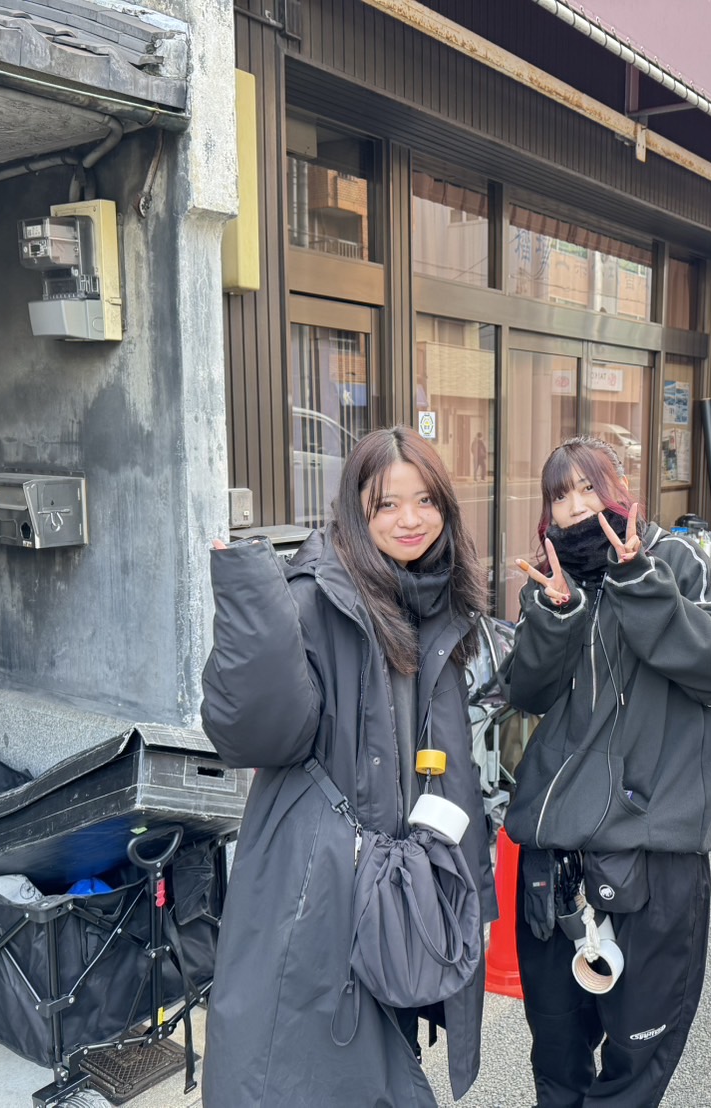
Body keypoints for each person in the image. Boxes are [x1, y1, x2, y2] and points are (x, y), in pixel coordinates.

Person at [200, 427, 494, 1107]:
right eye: (386, 504)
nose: (410, 519)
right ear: (355, 512)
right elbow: (256, 735)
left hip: (408, 880)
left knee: (379, 1055)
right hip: (326, 886)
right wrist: (252, 607)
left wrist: (468, 888)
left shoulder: (439, 598)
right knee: (316, 1070)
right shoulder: (315, 598)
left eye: (426, 500)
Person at [501, 435, 711, 1108]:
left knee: (636, 1064)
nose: (576, 505)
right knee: (556, 1057)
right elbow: (527, 694)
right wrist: (554, 616)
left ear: (620, 489)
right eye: (560, 494)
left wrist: (638, 581)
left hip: (651, 853)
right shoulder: (554, 581)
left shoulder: (677, 562)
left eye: (589, 486)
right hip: (555, 854)